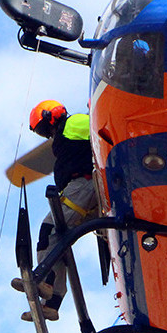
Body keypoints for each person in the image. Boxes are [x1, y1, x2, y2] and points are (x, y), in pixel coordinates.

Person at [11, 99, 99, 321]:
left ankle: (44, 279)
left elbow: (99, 125)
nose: (46, 134)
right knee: (59, 240)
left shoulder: (73, 123)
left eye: (43, 128)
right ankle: (51, 304)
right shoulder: (65, 133)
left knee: (47, 231)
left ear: (51, 116)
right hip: (86, 194)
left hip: (83, 188)